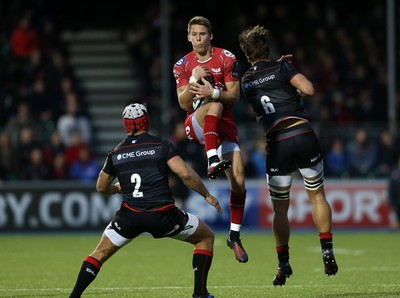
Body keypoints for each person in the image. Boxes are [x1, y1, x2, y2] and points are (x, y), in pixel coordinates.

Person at [69, 103, 221, 298]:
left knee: (99, 253)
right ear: (146, 121)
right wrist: (207, 195)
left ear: (125, 124)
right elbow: (186, 174)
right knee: (205, 237)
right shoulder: (161, 145)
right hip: (163, 215)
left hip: (130, 216)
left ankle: (74, 296)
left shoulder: (115, 153)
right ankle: (200, 294)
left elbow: (101, 186)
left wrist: (116, 188)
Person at [238, 25, 338, 286]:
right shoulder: (282, 68)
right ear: (267, 48)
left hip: (277, 142)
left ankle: (283, 264)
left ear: (247, 54)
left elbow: (262, 91)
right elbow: (309, 89)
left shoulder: (246, 81)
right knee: (317, 195)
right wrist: (288, 74)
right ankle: (326, 250)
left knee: (280, 209)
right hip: (302, 134)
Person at [173, 16, 248, 263]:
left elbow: (235, 97)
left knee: (238, 181)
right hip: (195, 123)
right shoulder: (182, 65)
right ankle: (212, 159)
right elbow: (184, 104)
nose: (198, 38)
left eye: (202, 34)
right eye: (194, 34)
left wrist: (212, 91)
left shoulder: (226, 58)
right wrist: (194, 79)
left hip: (224, 127)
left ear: (210, 36)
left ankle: (234, 236)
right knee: (214, 105)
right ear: (188, 37)